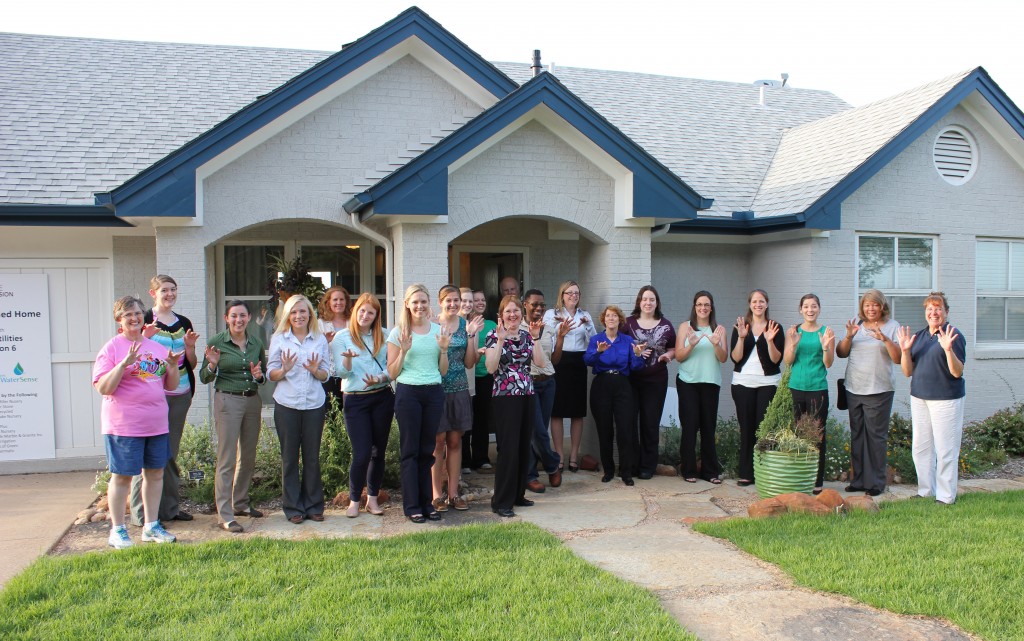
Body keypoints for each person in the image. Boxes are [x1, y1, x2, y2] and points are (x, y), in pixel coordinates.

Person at [92, 296, 181, 548]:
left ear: (144, 318)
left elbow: (170, 386)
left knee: (154, 473)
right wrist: (123, 365)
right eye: (128, 314)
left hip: (155, 424)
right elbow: (103, 387)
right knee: (122, 476)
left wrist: (173, 367)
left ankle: (151, 527)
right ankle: (117, 530)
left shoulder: (156, 348)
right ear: (119, 320)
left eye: (138, 314)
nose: (134, 318)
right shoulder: (112, 348)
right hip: (123, 426)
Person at [129, 275, 198, 526]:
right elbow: (134, 360)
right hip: (152, 397)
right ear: (153, 293)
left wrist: (189, 348)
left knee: (169, 452)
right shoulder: (144, 319)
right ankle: (141, 513)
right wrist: (143, 338)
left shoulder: (185, 322)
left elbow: (191, 363)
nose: (169, 294)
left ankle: (169, 508)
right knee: (148, 452)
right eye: (164, 290)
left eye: (173, 290)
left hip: (180, 395)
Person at [200, 300, 268, 532]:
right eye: (233, 316)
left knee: (248, 455)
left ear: (249, 317)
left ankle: (240, 503)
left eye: (242, 316)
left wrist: (259, 376)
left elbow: (263, 376)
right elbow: (203, 377)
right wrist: (212, 366)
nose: (238, 320)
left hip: (252, 400)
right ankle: (225, 514)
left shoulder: (256, 342)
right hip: (227, 400)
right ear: (226, 318)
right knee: (227, 457)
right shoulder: (216, 343)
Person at [387, 284, 451, 523]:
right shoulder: (398, 333)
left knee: (428, 450)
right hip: (408, 394)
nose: (419, 306)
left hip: (433, 392)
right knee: (410, 451)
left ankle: (427, 503)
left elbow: (442, 372)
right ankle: (412, 505)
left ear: (428, 303)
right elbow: (392, 373)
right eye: (415, 302)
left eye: (423, 302)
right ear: (407, 304)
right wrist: (403, 351)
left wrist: (443, 350)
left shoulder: (438, 330)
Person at [897, 292, 966, 505]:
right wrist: (905, 351)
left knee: (946, 449)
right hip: (920, 397)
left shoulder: (953, 335)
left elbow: (957, 372)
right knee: (921, 447)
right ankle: (926, 490)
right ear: (925, 312)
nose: (933, 312)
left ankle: (946, 496)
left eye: (938, 308)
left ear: (946, 311)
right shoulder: (919, 336)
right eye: (929, 309)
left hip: (945, 399)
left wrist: (947, 350)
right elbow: (907, 372)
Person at [267, 294, 331, 524]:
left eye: (303, 311)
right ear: (288, 316)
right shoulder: (279, 339)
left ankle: (314, 505)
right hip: (287, 404)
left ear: (310, 314)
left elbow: (326, 375)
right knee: (290, 458)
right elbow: (270, 373)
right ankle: (293, 507)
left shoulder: (319, 339)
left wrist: (316, 370)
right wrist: (283, 370)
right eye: (294, 312)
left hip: (314, 404)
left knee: (312, 457)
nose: (298, 316)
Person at [485, 295, 547, 517]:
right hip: (505, 396)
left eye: (516, 311)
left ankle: (518, 494)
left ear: (521, 314)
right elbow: (491, 368)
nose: (512, 315)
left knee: (523, 446)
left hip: (527, 394)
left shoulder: (526, 335)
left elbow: (540, 363)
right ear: (501, 315)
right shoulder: (494, 335)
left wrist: (536, 338)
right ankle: (501, 501)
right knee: (508, 449)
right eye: (508, 311)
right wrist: (501, 341)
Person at [333, 293, 395, 518]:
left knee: (378, 453)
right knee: (361, 453)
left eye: (370, 312)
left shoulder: (385, 335)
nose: (365, 315)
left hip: (382, 397)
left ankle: (373, 500)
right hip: (355, 399)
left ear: (376, 315)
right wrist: (348, 359)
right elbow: (341, 372)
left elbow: (394, 368)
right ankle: (353, 501)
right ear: (355, 310)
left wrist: (380, 378)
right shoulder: (341, 337)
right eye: (362, 310)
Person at [836, 289, 901, 496]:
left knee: (875, 437)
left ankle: (876, 482)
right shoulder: (857, 325)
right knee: (858, 436)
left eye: (874, 304)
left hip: (879, 389)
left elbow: (898, 358)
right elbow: (841, 353)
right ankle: (859, 480)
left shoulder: (892, 327)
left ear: (882, 306)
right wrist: (848, 336)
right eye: (867, 305)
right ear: (862, 307)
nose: (870, 308)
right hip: (854, 388)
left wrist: (885, 340)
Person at [431, 285, 483, 512]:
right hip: (436, 390)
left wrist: (472, 336)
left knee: (455, 441)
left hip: (460, 388)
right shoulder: (432, 324)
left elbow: (470, 363)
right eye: (449, 300)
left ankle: (453, 494)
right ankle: (436, 494)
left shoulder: (466, 326)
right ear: (440, 302)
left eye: (456, 300)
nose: (453, 304)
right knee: (438, 443)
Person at [585, 305, 645, 486]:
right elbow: (587, 361)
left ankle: (626, 472)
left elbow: (636, 367)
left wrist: (637, 355)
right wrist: (598, 352)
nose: (611, 319)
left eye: (615, 316)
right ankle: (608, 470)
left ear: (620, 320)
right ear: (604, 320)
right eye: (608, 316)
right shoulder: (596, 339)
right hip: (602, 384)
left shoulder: (628, 341)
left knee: (625, 430)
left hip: (622, 386)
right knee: (605, 430)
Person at [730, 289, 784, 487]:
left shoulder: (775, 327)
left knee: (764, 430)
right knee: (746, 429)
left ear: (767, 304)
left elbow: (776, 360)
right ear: (750, 304)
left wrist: (769, 341)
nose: (758, 304)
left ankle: (765, 473)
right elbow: (735, 358)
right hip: (742, 382)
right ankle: (746, 473)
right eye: (754, 301)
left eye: (761, 301)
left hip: (768, 383)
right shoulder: (740, 326)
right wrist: (743, 337)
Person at [784, 293, 836, 494]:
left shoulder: (826, 331)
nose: (810, 310)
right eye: (806, 307)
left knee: (816, 435)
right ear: (800, 309)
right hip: (796, 387)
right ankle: (799, 477)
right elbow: (788, 361)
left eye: (814, 306)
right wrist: (794, 343)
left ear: (819, 309)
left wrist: (825, 348)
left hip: (817, 388)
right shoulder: (794, 331)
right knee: (796, 434)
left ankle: (816, 480)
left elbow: (828, 363)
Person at [623, 286, 676, 480]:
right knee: (629, 423)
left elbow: (673, 349)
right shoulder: (627, 324)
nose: (648, 303)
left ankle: (648, 466)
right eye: (644, 299)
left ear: (656, 302)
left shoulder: (666, 325)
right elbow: (617, 344)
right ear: (639, 302)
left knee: (650, 423)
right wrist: (633, 352)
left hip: (656, 381)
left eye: (651, 299)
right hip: (631, 380)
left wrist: (668, 356)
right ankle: (632, 465)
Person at [675, 291, 728, 484]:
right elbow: (679, 356)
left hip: (710, 383)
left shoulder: (719, 330)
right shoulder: (685, 327)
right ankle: (688, 470)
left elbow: (723, 358)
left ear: (711, 307)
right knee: (689, 427)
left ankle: (710, 472)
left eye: (706, 305)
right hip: (688, 382)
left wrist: (715, 344)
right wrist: (691, 344)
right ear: (694, 307)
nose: (703, 308)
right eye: (699, 304)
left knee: (708, 428)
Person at [543, 280, 596, 472]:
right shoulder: (552, 314)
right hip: (559, 360)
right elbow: (546, 337)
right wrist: (560, 330)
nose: (573, 296)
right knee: (556, 411)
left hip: (578, 363)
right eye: (569, 293)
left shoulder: (585, 315)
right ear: (562, 295)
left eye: (576, 293)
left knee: (576, 412)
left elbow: (593, 341)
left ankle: (574, 455)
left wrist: (588, 326)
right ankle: (559, 456)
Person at [522, 289, 564, 493]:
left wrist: (562, 338)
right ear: (525, 305)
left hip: (548, 383)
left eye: (542, 305)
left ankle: (531, 474)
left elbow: (553, 360)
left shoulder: (549, 329)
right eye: (534, 304)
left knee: (538, 431)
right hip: (528, 383)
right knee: (536, 430)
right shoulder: (518, 327)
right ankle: (552, 465)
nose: (539, 308)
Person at [469, 289, 498, 471]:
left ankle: (481, 458)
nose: (480, 302)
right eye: (476, 300)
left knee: (482, 418)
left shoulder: (491, 324)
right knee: (466, 421)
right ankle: (464, 461)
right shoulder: (464, 324)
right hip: (467, 377)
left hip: (486, 377)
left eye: (482, 300)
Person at [317, 286, 351, 409]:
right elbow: (313, 351)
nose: (339, 303)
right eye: (335, 300)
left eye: (342, 299)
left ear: (346, 301)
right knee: (331, 417)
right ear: (328, 302)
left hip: (351, 375)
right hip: (329, 377)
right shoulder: (320, 324)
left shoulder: (353, 322)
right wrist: (324, 342)